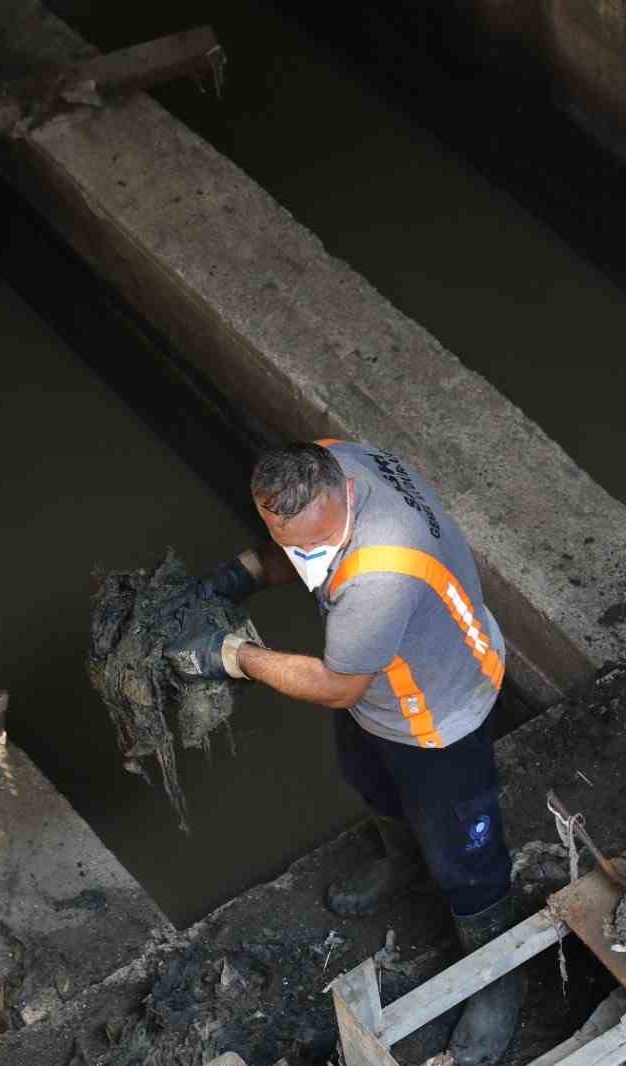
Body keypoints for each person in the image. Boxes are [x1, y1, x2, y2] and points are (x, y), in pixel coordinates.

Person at [168, 439, 525, 1066]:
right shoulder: (331, 459)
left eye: (317, 548)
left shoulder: (379, 576)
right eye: (290, 544)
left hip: (437, 712)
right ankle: (403, 862)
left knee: (467, 859)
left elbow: (338, 686)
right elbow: (295, 552)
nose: (305, 561)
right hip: (383, 686)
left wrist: (234, 656)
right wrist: (239, 575)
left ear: (346, 495)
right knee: (369, 780)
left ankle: (500, 980)